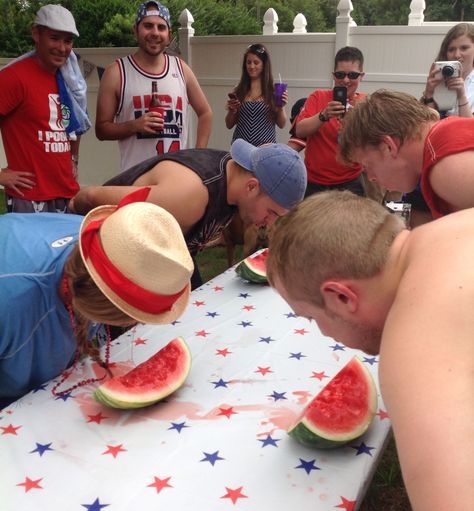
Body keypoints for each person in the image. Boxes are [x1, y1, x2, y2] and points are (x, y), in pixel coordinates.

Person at [266, 190, 474, 511]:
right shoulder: (455, 227)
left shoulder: (417, 347)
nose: (320, 333)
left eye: (309, 319)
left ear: (340, 296)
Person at [0, 189, 194, 409]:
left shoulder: (105, 241)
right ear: (107, 309)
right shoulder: (11, 303)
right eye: (137, 317)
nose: (139, 324)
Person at [69, 139, 307, 288]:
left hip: (157, 261)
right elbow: (89, 198)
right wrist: (65, 219)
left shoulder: (233, 184)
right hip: (93, 263)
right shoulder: (189, 196)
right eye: (272, 212)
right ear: (252, 187)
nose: (270, 222)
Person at [95, 0, 212, 172]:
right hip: (135, 179)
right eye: (148, 26)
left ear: (169, 34)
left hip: (176, 179)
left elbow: (206, 113)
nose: (155, 33)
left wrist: (197, 156)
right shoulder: (117, 72)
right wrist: (134, 125)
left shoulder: (181, 69)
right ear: (136, 30)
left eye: (161, 27)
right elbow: (102, 129)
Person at [339, 89, 474, 219]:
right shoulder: (444, 138)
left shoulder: (447, 167)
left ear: (388, 147)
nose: (371, 178)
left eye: (367, 166)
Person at [0, 4, 83, 212]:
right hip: (29, 197)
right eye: (54, 38)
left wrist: (74, 159)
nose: (62, 48)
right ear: (36, 34)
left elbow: (75, 125)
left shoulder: (69, 79)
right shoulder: (13, 77)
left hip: (68, 193)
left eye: (68, 41)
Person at [403, 23, 474, 227]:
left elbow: (470, 132)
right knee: (422, 222)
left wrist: (461, 95)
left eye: (464, 47)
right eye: (451, 49)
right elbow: (419, 124)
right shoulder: (439, 76)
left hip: (460, 166)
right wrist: (428, 93)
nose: (457, 54)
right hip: (429, 160)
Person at [294, 46, 367, 197]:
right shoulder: (318, 97)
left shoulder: (366, 103)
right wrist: (323, 115)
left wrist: (355, 124)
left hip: (351, 183)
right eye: (340, 74)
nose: (346, 80)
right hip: (315, 183)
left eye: (352, 75)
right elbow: (299, 130)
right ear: (333, 75)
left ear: (361, 76)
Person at [225, 43, 287, 146]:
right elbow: (229, 124)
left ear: (264, 64)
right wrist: (232, 111)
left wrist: (281, 107)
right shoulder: (239, 90)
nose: (252, 66)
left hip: (265, 151)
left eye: (256, 62)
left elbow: (282, 124)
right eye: (248, 62)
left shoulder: (272, 91)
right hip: (241, 150)